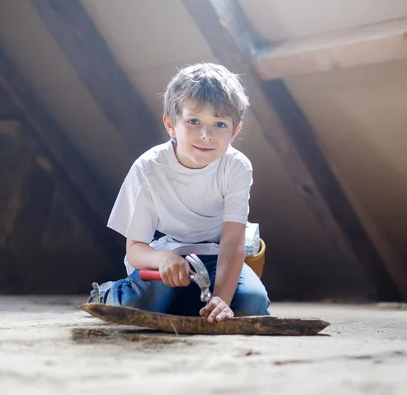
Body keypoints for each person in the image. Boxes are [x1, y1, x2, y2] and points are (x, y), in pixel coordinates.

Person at [88, 62, 270, 322]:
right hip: (163, 258)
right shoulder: (149, 169)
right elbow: (135, 250)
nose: (206, 135)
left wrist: (221, 300)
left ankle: (193, 303)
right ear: (170, 125)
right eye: (193, 121)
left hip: (216, 257)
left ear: (235, 131)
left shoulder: (237, 167)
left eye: (219, 124)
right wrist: (164, 259)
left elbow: (232, 241)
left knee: (253, 302)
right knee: (143, 301)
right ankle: (106, 294)